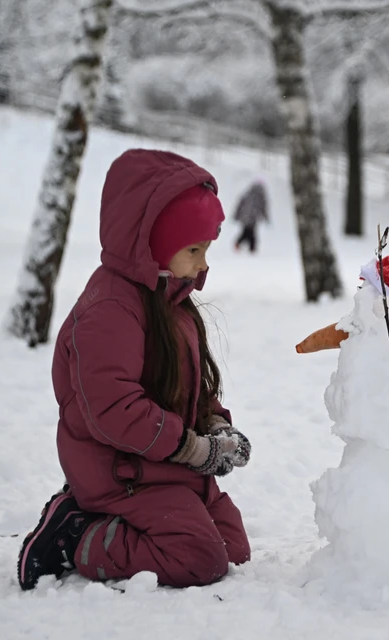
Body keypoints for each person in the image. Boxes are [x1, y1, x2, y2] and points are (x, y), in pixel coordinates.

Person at [17, 149, 252, 591]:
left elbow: (186, 386)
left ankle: (112, 525)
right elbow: (115, 409)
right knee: (199, 558)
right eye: (194, 249)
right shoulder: (110, 310)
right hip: (121, 471)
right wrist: (192, 450)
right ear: (154, 243)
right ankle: (76, 535)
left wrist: (215, 424)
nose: (204, 263)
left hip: (162, 463)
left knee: (231, 547)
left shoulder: (169, 300)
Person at [232, 178, 269, 253]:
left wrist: (237, 215)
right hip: (252, 218)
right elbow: (263, 208)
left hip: (245, 217)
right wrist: (265, 217)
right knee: (250, 232)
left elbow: (240, 205)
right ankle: (251, 248)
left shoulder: (247, 194)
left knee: (247, 231)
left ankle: (242, 245)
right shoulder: (260, 197)